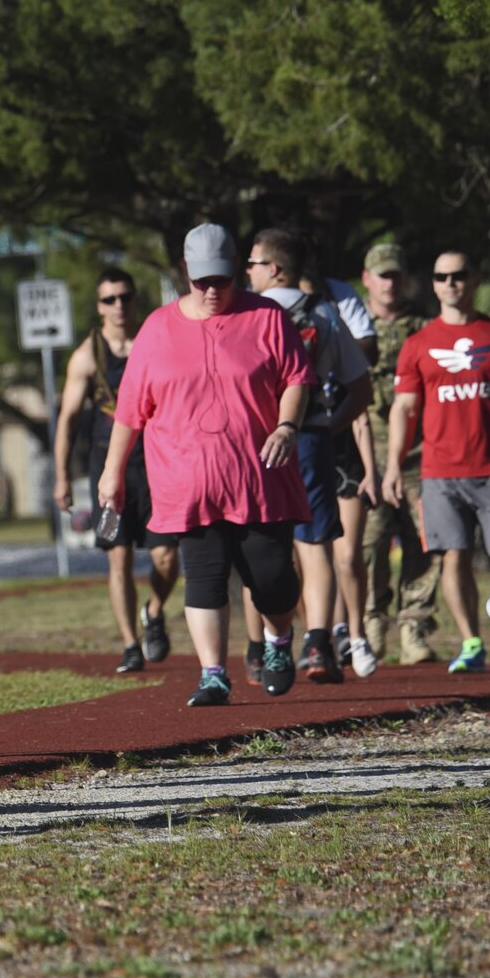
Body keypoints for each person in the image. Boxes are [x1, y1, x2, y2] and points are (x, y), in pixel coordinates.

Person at [98, 223, 313, 708]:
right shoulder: (156, 328)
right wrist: (112, 473)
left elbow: (297, 378)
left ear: (237, 270)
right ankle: (213, 674)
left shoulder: (268, 317)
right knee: (205, 575)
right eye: (202, 282)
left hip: (259, 478)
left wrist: (286, 426)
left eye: (222, 279)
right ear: (185, 273)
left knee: (273, 578)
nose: (213, 291)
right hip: (187, 481)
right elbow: (131, 409)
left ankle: (279, 642)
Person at [384, 251, 490, 672]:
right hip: (440, 471)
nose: (450, 283)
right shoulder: (418, 344)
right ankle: (471, 642)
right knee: (452, 556)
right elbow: (404, 409)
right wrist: (392, 465)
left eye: (459, 275)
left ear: (474, 278)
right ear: (433, 283)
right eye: (442, 276)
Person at [244, 228, 373, 682]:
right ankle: (318, 642)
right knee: (314, 540)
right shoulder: (324, 313)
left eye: (254, 264)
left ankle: (260, 647)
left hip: (255, 442)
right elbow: (361, 387)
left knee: (256, 540)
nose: (247, 272)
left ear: (274, 268)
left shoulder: (247, 316)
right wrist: (329, 423)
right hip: (313, 437)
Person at [52, 267, 180, 673]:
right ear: (99, 306)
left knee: (166, 555)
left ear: (135, 300)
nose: (119, 305)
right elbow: (68, 419)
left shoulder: (158, 340)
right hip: (108, 470)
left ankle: (154, 612)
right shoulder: (88, 354)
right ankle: (129, 644)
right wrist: (61, 477)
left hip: (156, 464)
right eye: (110, 299)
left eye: (125, 297)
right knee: (118, 556)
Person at [359, 243, 438, 663]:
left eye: (395, 275)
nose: (390, 283)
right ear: (367, 278)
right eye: (381, 275)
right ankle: (372, 623)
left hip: (421, 452)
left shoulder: (426, 328)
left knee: (423, 542)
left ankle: (415, 627)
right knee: (370, 545)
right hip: (369, 454)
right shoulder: (355, 328)